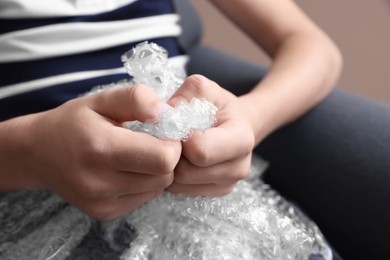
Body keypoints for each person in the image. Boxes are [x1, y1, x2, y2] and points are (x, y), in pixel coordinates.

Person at [0, 0, 389, 259]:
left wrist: (249, 117)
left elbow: (311, 47)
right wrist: (29, 151)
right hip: (28, 184)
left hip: (201, 190)